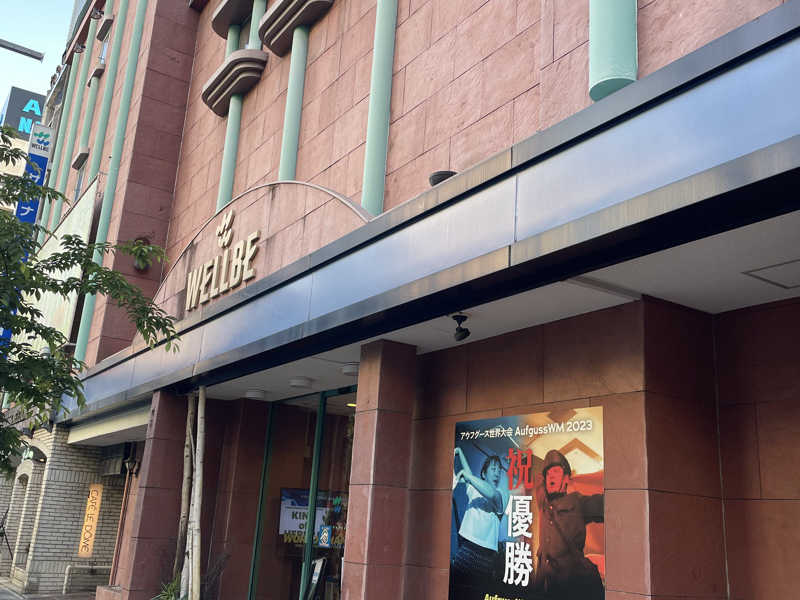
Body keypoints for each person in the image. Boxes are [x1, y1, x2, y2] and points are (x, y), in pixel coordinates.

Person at [533, 450, 604, 600]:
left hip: (572, 589)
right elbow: (538, 480)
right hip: (545, 589)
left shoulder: (578, 502)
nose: (551, 476)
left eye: (556, 471)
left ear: (566, 479)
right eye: (548, 473)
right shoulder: (544, 505)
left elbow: (605, 505)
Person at [451, 447, 509, 593]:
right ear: (483, 474)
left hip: (486, 559)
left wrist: (467, 477)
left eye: (499, 471)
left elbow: (492, 494)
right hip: (465, 550)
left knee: (477, 594)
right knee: (455, 592)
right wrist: (459, 451)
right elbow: (469, 474)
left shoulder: (502, 494)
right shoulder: (473, 490)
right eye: (493, 469)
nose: (497, 473)